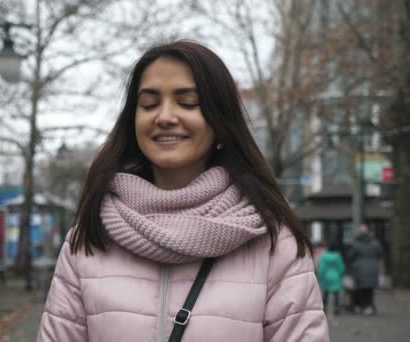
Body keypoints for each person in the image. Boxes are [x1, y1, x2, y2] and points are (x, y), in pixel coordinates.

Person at [37, 40, 328, 341]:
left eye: (187, 102)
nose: (164, 117)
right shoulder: (87, 238)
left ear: (220, 119)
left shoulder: (274, 242)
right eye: (149, 104)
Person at [349, 224, 383, 315]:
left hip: (359, 269)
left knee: (360, 288)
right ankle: (369, 306)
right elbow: (380, 254)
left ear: (359, 232)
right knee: (370, 289)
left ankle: (361, 306)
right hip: (373, 268)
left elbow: (351, 256)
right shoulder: (376, 243)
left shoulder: (355, 243)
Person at [317, 241, 345, 315]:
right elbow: (341, 267)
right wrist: (340, 274)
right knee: (336, 293)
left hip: (326, 277)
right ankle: (336, 308)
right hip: (336, 276)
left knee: (326, 293)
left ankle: (324, 308)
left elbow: (321, 268)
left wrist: (320, 277)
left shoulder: (324, 256)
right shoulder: (338, 256)